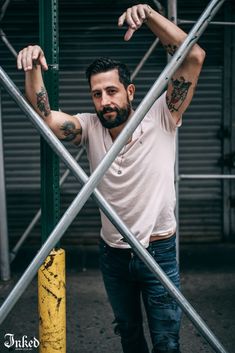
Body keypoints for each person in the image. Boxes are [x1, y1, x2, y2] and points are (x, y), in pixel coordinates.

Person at [17, 4, 205, 353]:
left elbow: (192, 55)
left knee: (166, 341)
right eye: (97, 94)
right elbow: (46, 117)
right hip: (114, 255)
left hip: (159, 250)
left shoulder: (162, 115)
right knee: (130, 337)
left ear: (130, 92)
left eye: (112, 91)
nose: (105, 101)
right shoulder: (89, 126)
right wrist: (33, 65)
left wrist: (149, 16)